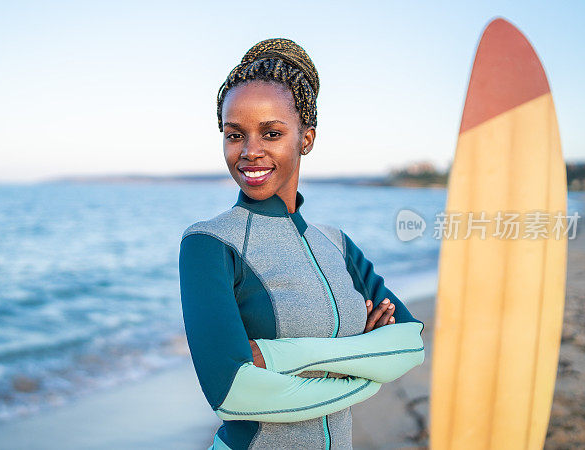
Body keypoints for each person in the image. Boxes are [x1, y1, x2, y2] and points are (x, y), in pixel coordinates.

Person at [178, 38, 426, 450]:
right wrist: (364, 362)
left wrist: (274, 358)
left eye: (271, 133)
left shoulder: (336, 244)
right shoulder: (209, 244)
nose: (249, 152)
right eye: (234, 134)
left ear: (306, 139)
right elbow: (234, 395)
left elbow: (409, 344)